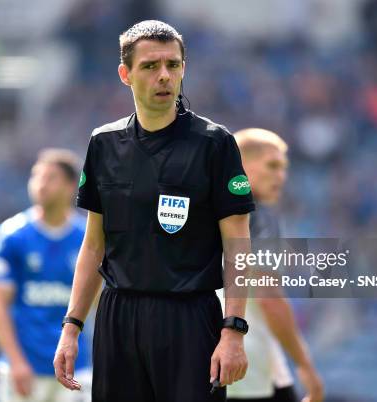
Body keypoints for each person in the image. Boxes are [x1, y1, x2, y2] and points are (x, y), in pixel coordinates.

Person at [53, 20, 255, 402]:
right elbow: (94, 245)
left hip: (190, 319)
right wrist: (72, 327)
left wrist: (233, 330)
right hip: (118, 317)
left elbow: (238, 246)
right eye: (150, 66)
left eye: (173, 65)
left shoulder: (215, 144)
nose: (164, 76)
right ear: (125, 74)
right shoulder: (104, 143)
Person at [0, 149, 92, 402]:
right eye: (36, 177)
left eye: (50, 178)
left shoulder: (87, 239)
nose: (40, 184)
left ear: (69, 187)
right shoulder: (11, 236)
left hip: (75, 367)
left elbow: (97, 302)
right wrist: (16, 361)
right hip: (24, 369)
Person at [226, 128, 324, 402]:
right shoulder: (259, 217)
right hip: (246, 365)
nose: (281, 176)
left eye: (283, 168)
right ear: (241, 165)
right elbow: (269, 297)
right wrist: (305, 365)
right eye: (272, 165)